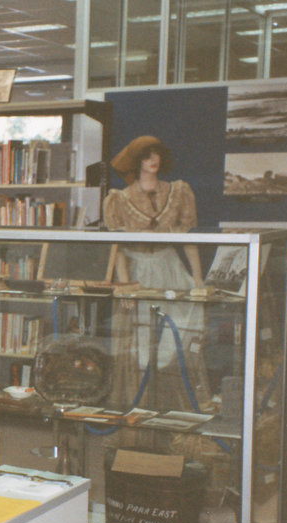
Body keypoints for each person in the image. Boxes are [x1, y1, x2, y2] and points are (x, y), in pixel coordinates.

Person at [102, 136, 210, 412]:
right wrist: (125, 283)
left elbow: (188, 238)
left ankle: (171, 404)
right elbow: (118, 248)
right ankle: (140, 404)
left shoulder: (178, 191)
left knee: (179, 328)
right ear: (136, 161)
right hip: (137, 270)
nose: (154, 160)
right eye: (147, 155)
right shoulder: (120, 199)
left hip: (169, 267)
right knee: (139, 337)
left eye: (157, 154)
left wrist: (197, 278)